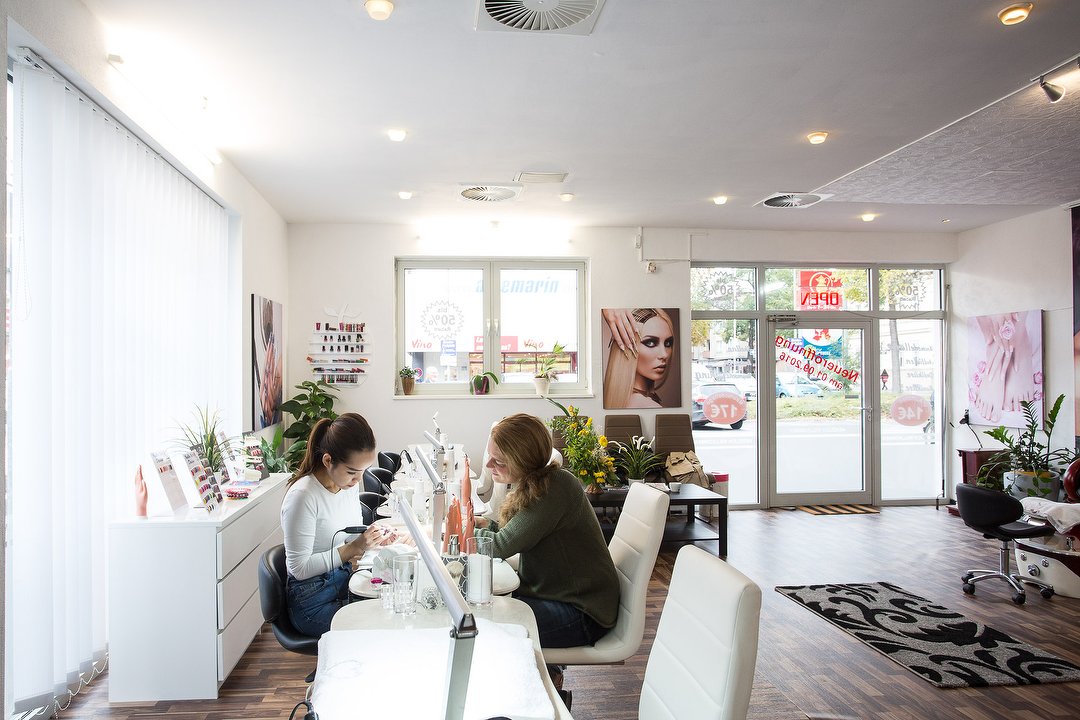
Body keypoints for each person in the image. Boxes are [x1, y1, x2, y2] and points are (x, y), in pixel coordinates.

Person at [475, 413, 619, 649]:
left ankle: (538, 679)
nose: (489, 465)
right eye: (490, 457)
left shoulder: (554, 488)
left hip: (582, 613)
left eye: (498, 460)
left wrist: (457, 530)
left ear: (523, 460)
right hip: (558, 597)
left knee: (486, 623)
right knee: (483, 608)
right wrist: (484, 525)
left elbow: (501, 546)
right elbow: (517, 534)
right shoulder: (540, 483)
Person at [280, 413, 396, 637]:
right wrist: (355, 548)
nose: (358, 481)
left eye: (363, 471)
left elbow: (349, 536)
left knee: (392, 609)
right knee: (379, 627)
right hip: (311, 601)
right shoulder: (303, 497)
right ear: (327, 461)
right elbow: (299, 568)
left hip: (340, 580)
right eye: (352, 472)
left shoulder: (346, 486)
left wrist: (374, 539)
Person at [602, 307, 676, 408]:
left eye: (668, 343)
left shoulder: (621, 399)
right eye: (650, 343)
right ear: (627, 346)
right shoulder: (648, 406)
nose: (664, 354)